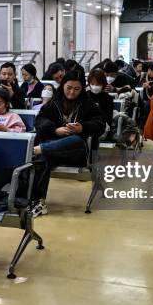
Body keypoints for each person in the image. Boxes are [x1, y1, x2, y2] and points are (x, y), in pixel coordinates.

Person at [33, 71, 106, 214]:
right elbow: (40, 121)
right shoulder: (54, 103)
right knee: (44, 159)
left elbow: (100, 124)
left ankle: (42, 148)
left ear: (82, 89)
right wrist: (56, 130)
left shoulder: (89, 104)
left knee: (76, 140)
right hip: (55, 151)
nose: (72, 92)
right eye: (69, 88)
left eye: (77, 89)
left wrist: (82, 127)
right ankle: (39, 201)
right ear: (63, 86)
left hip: (77, 153)